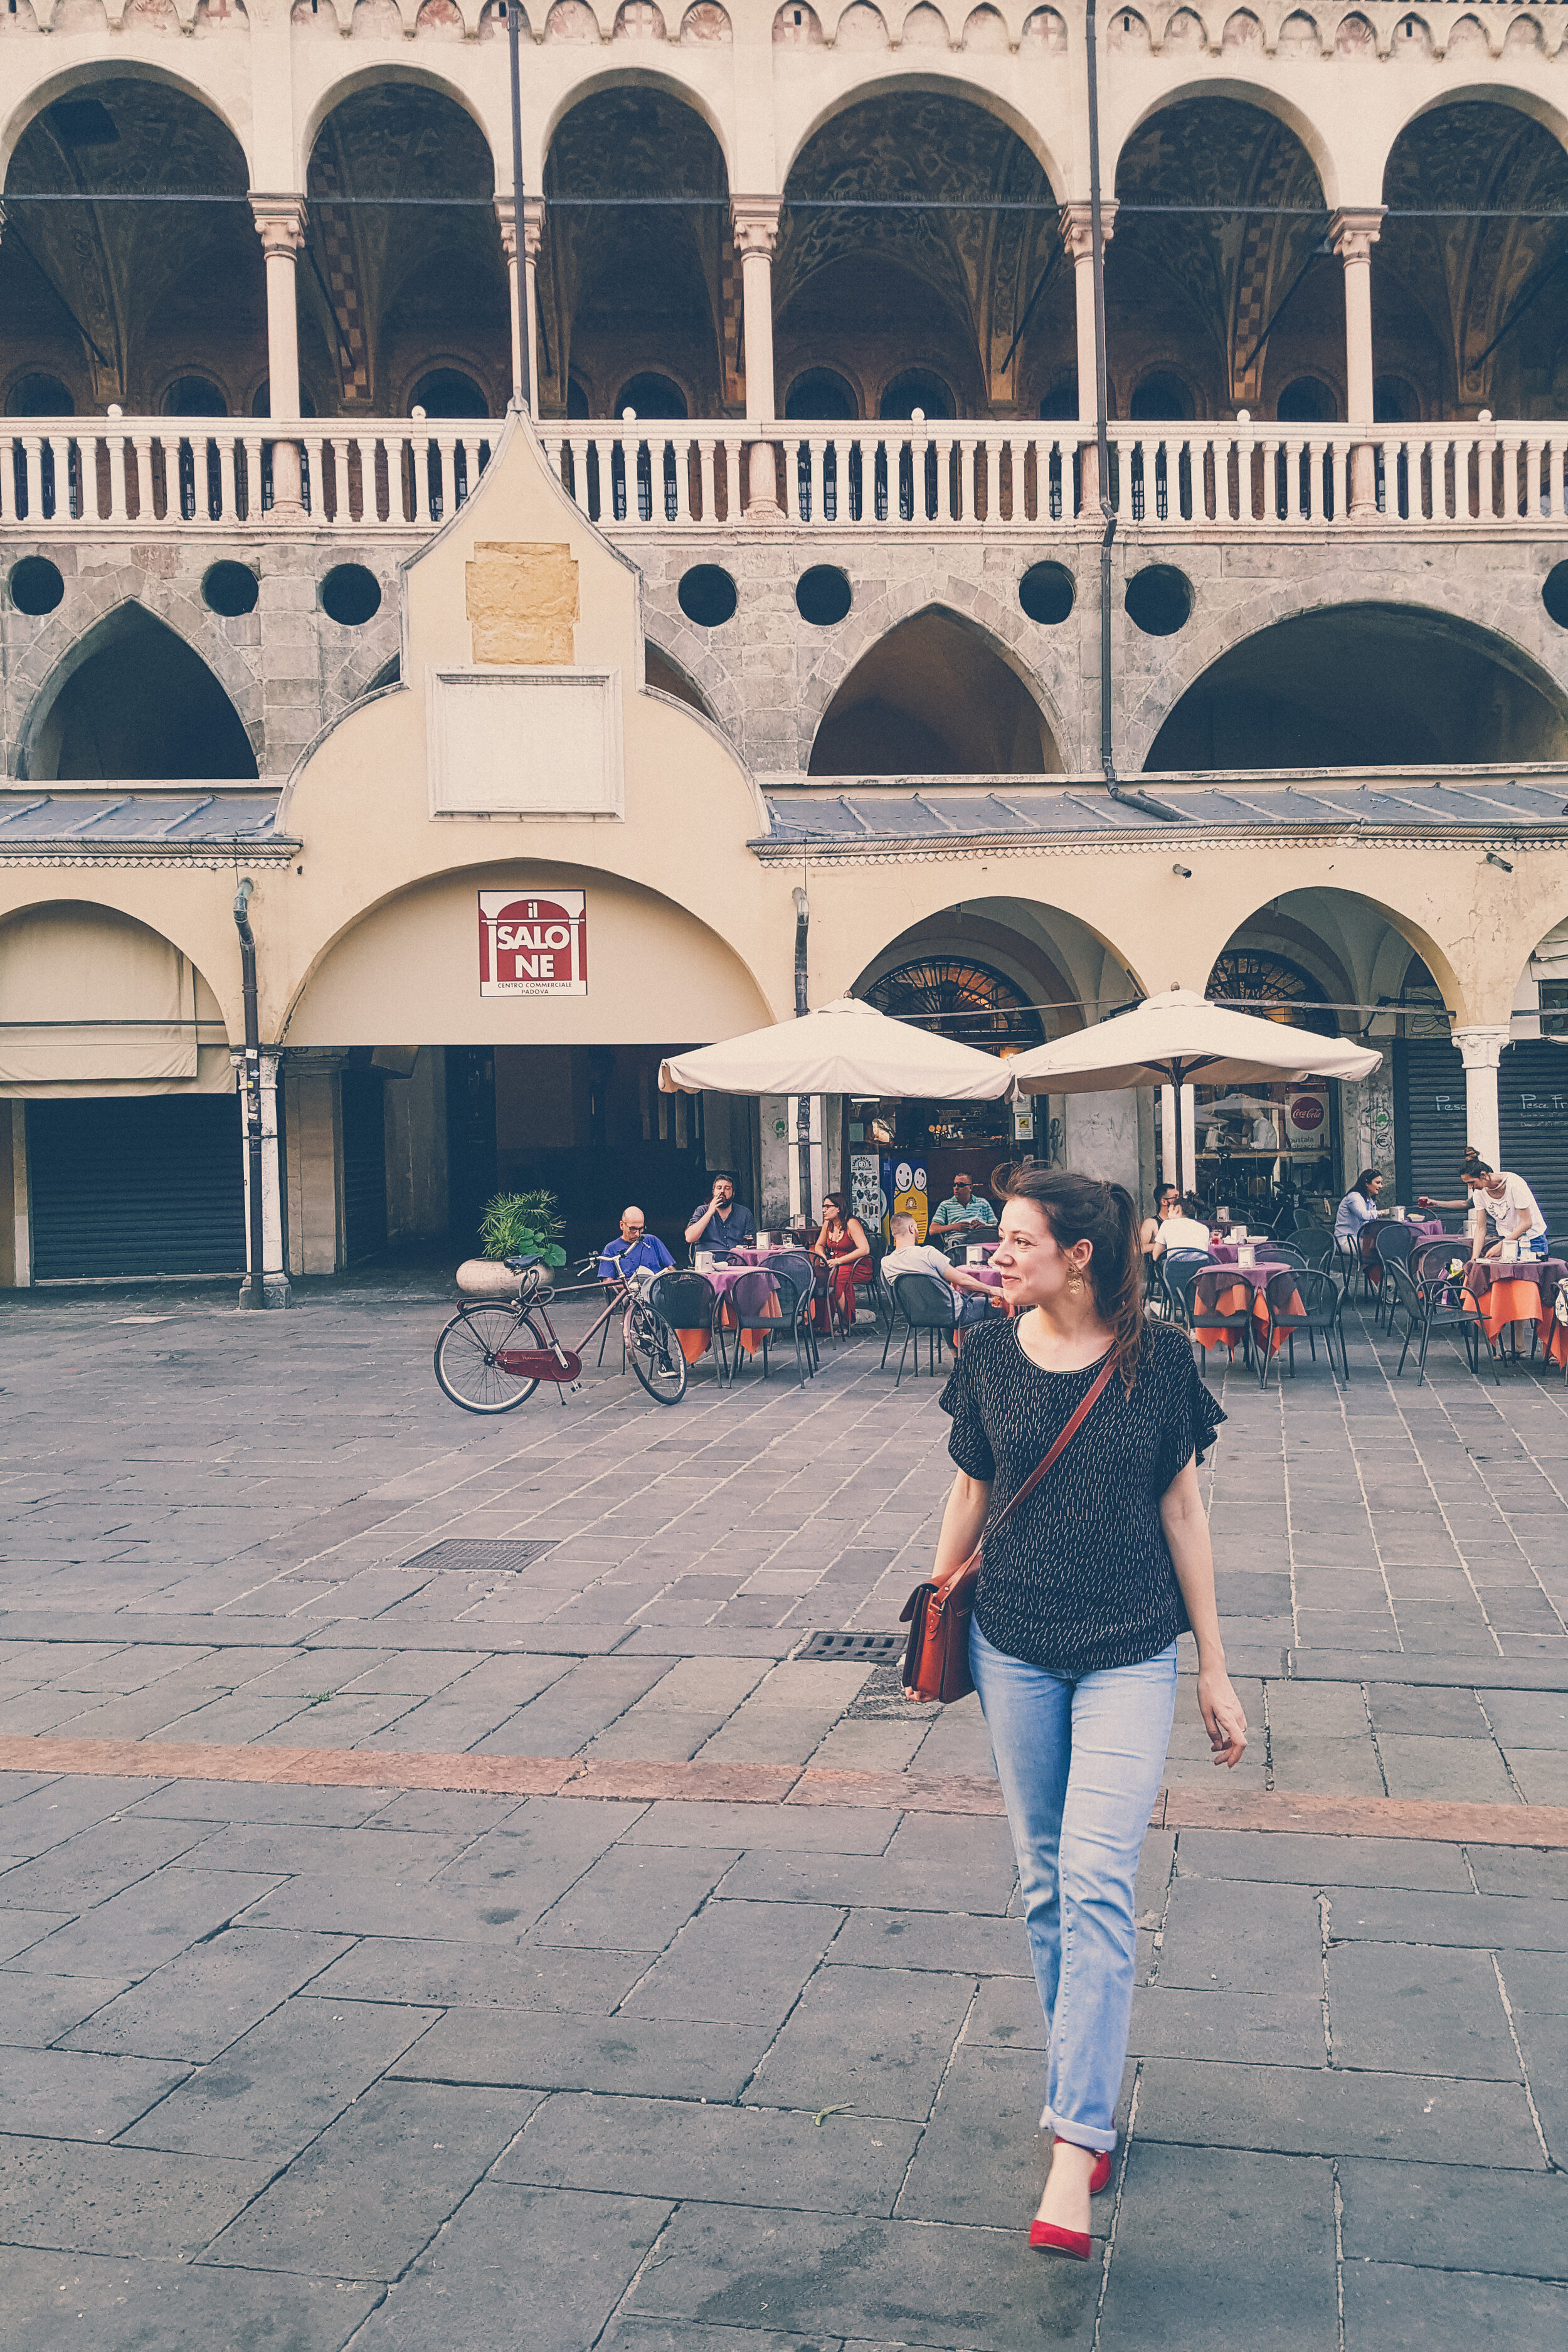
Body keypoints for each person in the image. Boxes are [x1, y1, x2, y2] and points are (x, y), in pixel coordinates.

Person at [929, 1168, 1248, 2260]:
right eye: (1000, 1238)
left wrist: (1215, 1666)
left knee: (1097, 1877)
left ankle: (1075, 2138)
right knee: (1042, 1883)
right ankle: (1090, 2094)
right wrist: (936, 1619)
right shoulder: (983, 1358)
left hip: (1127, 1650)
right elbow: (970, 1491)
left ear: (1080, 1256)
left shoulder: (1159, 1365)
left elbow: (1184, 1512)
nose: (998, 1253)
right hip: (1011, 1642)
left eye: (1018, 1240)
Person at [882, 1209, 997, 1342]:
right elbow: (962, 1279)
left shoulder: (886, 1263)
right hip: (951, 1313)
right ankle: (984, 1355)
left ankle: (956, 1355)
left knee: (945, 1304)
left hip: (916, 1316)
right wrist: (993, 1289)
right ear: (912, 1229)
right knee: (993, 1306)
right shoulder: (928, 1253)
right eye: (917, 1227)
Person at [813, 1190, 874, 1328]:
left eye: (828, 1207)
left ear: (839, 1208)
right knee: (817, 1275)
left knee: (836, 1278)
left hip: (857, 1264)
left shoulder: (851, 1223)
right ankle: (821, 1321)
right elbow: (819, 1245)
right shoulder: (827, 1224)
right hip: (835, 1263)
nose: (824, 1210)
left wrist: (839, 1261)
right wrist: (823, 1256)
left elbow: (865, 1249)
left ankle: (845, 1321)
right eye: (824, 1206)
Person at [930, 1172, 999, 1263]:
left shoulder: (982, 1203)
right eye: (954, 1185)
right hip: (958, 1244)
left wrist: (984, 1226)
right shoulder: (946, 1205)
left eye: (961, 1185)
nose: (956, 1188)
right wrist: (955, 1227)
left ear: (970, 1188)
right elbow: (932, 1230)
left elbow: (996, 1226)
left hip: (982, 1241)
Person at [684, 1173, 756, 1258]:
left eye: (727, 1188)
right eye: (719, 1188)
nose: (722, 1191)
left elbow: (753, 1243)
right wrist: (710, 1212)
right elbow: (690, 1238)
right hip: (708, 1264)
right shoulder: (702, 1211)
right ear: (714, 1192)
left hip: (738, 1262)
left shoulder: (744, 1213)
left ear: (733, 1193)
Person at [597, 1207, 674, 1286]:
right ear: (622, 1225)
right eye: (633, 1229)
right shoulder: (611, 1249)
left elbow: (672, 1269)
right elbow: (607, 1285)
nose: (637, 1234)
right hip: (631, 1294)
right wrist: (631, 1287)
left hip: (656, 1291)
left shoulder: (652, 1240)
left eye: (641, 1229)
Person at [1148, 1193, 1212, 1258]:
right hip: (1200, 1266)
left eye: (1169, 1211)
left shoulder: (1167, 1224)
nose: (1168, 1215)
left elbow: (1156, 1256)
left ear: (1177, 1209)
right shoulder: (1203, 1228)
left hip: (1176, 1267)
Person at [1333, 1168, 1382, 1248]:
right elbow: (1363, 1215)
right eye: (1378, 1183)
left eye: (1381, 1183)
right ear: (1367, 1183)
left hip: (1360, 1239)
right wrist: (1382, 1212)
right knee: (1376, 1249)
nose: (1381, 1186)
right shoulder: (1354, 1197)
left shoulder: (1370, 1201)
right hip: (1346, 1240)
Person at [1139, 1186, 1182, 1258]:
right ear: (1164, 1202)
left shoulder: (1183, 1222)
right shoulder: (1151, 1223)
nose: (1179, 1200)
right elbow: (1141, 1248)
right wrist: (1162, 1245)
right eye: (1175, 1197)